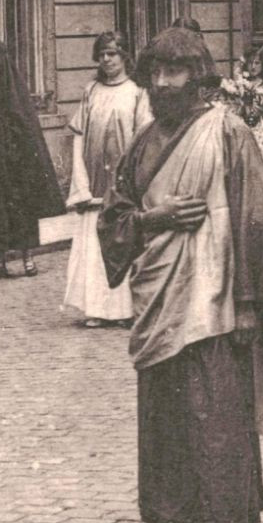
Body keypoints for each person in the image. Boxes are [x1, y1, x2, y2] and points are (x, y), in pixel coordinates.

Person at [98, 28, 263, 523]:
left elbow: (258, 217)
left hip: (217, 295)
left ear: (199, 77)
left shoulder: (229, 134)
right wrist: (151, 220)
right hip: (159, 301)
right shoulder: (141, 144)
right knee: (166, 411)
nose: (163, 84)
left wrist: (254, 301)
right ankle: (177, 520)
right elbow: (114, 218)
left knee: (215, 412)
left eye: (175, 72)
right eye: (155, 73)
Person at [65, 33, 152, 328]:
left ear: (125, 56)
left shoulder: (137, 92)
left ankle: (126, 310)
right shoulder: (91, 91)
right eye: (102, 54)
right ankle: (97, 309)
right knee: (94, 246)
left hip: (124, 185)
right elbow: (78, 135)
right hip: (95, 183)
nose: (107, 60)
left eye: (113, 53)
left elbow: (143, 137)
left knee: (124, 243)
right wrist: (81, 183)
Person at [0, 40, 65, 280]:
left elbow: (26, 127)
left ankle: (27, 258)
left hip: (17, 165)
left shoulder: (16, 91)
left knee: (22, 211)